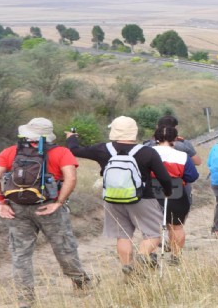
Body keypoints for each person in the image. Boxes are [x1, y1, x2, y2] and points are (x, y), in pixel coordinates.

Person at [0, 118, 93, 307]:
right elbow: (71, 177)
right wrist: (59, 202)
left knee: (21, 254)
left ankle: (25, 299)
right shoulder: (61, 152)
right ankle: (80, 282)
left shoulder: (10, 152)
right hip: (48, 207)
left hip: (16, 208)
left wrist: (0, 202)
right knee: (63, 247)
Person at [67, 116, 173, 276]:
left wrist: (72, 138)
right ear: (134, 131)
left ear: (114, 130)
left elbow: (74, 150)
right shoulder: (147, 152)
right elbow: (164, 177)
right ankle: (143, 257)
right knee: (152, 234)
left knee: (122, 235)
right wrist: (167, 190)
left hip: (113, 198)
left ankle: (127, 266)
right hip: (143, 198)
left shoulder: (102, 149)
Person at [151, 125, 199, 264]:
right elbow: (192, 176)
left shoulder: (147, 152)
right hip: (176, 193)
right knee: (176, 226)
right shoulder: (182, 156)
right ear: (175, 139)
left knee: (151, 226)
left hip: (152, 193)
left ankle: (151, 255)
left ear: (156, 138)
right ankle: (175, 257)